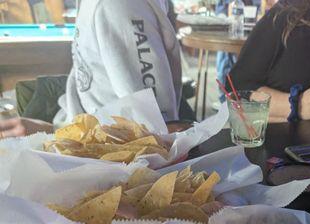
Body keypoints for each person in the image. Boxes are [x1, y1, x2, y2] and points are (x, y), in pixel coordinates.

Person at [0, 0, 183, 139]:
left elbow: (153, 135)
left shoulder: (118, 5)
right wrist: (54, 131)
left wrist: (56, 135)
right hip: (78, 134)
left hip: (106, 164)